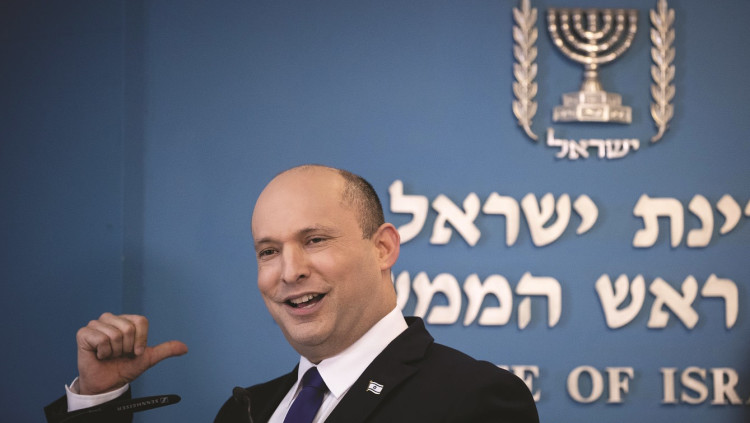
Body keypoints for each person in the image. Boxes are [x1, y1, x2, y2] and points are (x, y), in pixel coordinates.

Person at [45, 165, 539, 422]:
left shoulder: (473, 399)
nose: (290, 271)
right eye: (268, 251)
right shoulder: (244, 411)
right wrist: (99, 401)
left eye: (315, 240)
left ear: (383, 248)